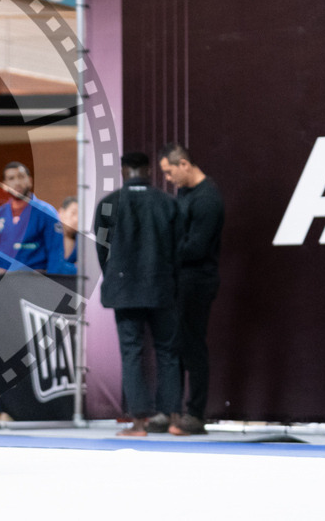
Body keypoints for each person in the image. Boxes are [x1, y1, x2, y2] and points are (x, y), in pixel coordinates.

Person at [94, 152, 181, 436]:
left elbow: (102, 249)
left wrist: (115, 279)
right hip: (162, 286)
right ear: (149, 170)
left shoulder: (108, 204)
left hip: (124, 288)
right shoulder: (167, 203)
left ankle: (140, 422)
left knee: (132, 352)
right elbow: (179, 248)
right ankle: (172, 419)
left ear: (123, 170)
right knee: (167, 352)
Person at [159, 142, 225, 436]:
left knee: (193, 346)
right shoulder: (184, 194)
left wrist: (164, 252)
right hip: (178, 279)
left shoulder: (208, 199)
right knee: (173, 345)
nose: (168, 179)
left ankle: (195, 414)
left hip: (196, 281)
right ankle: (172, 409)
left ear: (184, 164)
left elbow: (196, 247)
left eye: (169, 172)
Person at [0, 161, 67, 294]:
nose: (17, 182)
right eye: (11, 178)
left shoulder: (47, 213)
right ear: (4, 185)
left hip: (36, 284)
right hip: (3, 285)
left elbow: (56, 254)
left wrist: (51, 288)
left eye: (21, 177)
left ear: (30, 181)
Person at [58, 196, 79, 274]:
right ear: (61, 213)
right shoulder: (48, 238)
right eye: (73, 213)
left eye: (81, 215)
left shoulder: (83, 245)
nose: (76, 219)